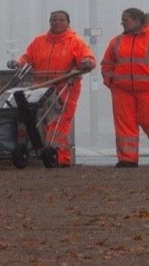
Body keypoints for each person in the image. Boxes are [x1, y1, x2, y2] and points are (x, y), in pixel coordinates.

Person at [8, 10, 96, 167]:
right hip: (40, 88)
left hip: (65, 87)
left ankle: (60, 156)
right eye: (54, 20)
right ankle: (41, 151)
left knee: (59, 122)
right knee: (37, 121)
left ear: (68, 23)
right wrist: (18, 63)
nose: (57, 22)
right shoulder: (38, 41)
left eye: (61, 20)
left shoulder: (76, 42)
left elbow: (88, 58)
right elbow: (27, 58)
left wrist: (87, 63)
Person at [101, 8, 149, 168]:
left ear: (137, 21)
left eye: (125, 20)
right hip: (122, 91)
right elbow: (107, 63)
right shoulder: (116, 41)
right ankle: (127, 158)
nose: (122, 23)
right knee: (124, 125)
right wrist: (109, 81)